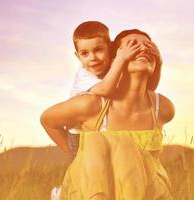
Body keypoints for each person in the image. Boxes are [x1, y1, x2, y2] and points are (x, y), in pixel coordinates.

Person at [41, 29, 175, 200]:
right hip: (94, 191)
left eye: (149, 47)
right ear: (114, 60)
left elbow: (148, 87)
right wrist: (77, 156)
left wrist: (159, 61)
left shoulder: (162, 108)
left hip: (146, 192)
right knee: (101, 144)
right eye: (132, 45)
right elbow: (47, 120)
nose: (142, 50)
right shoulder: (91, 104)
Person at [50, 21, 143, 200]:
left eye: (99, 50)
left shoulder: (110, 66)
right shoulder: (84, 76)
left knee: (106, 178)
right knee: (83, 178)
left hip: (101, 133)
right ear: (77, 56)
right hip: (79, 136)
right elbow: (105, 90)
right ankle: (61, 194)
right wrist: (121, 60)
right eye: (85, 53)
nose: (93, 58)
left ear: (110, 48)